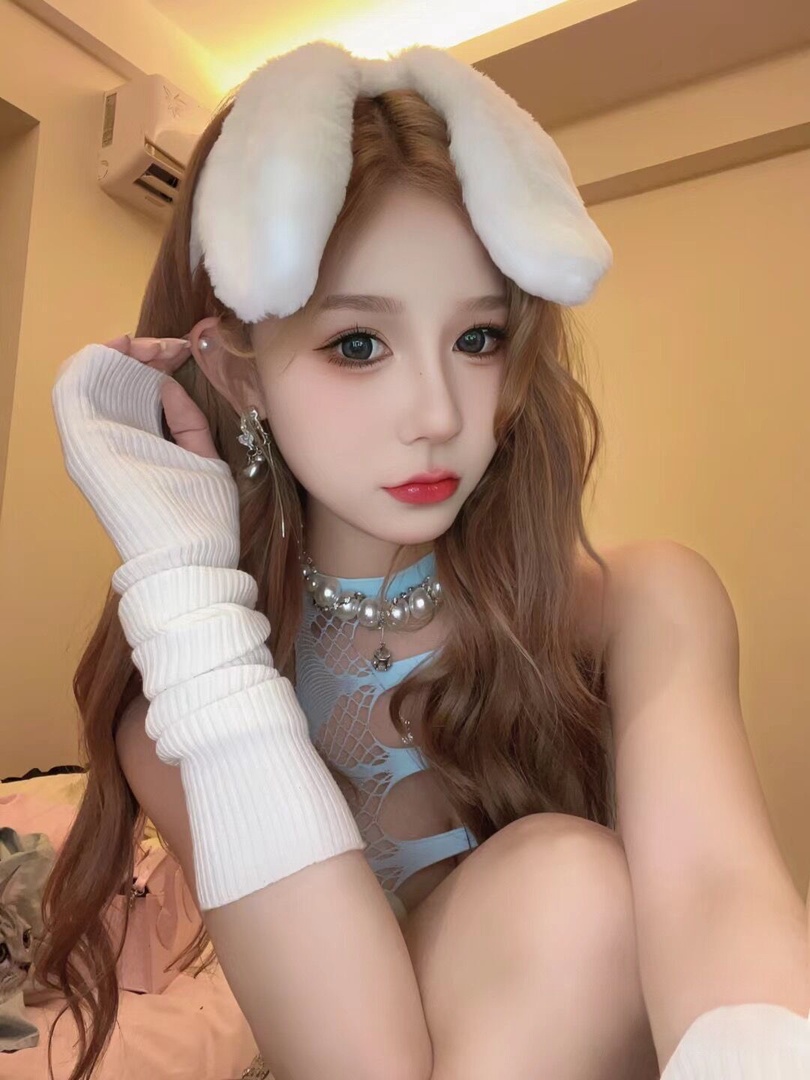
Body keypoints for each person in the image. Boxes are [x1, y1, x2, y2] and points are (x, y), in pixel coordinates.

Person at [41, 40, 809, 1080]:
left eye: (479, 339)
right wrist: (186, 594)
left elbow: (720, 896)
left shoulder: (637, 606)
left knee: (571, 887)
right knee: (572, 890)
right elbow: (359, 1061)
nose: (440, 414)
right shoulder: (184, 706)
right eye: (358, 345)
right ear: (239, 372)